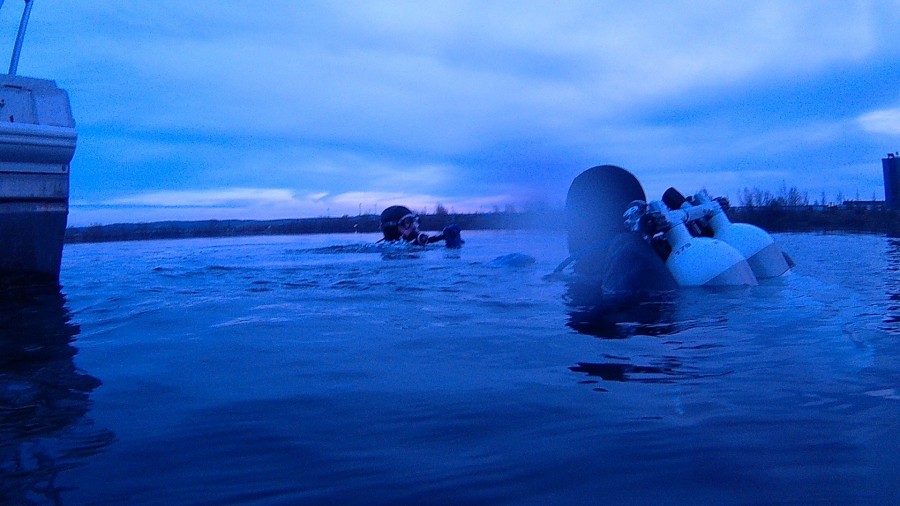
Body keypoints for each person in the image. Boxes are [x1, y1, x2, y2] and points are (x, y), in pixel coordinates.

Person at [379, 205, 463, 248]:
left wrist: (454, 242)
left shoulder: (419, 244)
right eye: (407, 222)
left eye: (414, 222)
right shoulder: (385, 249)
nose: (414, 227)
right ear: (392, 229)